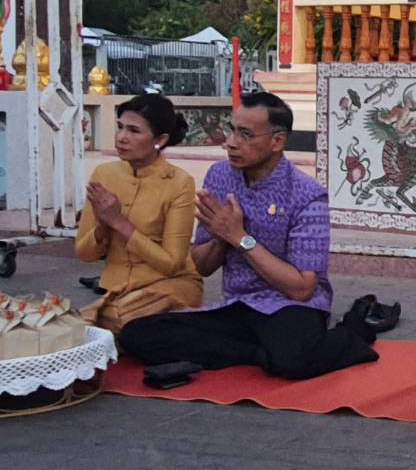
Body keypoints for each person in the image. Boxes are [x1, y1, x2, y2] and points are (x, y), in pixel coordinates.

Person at [119, 92, 378, 379]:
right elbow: (202, 267)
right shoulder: (220, 176)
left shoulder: (307, 195)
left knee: (293, 360)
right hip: (238, 304)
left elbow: (302, 288)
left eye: (245, 135)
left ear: (277, 141)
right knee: (136, 334)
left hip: (289, 306)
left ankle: (351, 333)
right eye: (231, 130)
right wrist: (220, 236)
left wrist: (240, 238)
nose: (231, 143)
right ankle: (258, 355)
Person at [74, 94, 203, 332]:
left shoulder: (179, 182)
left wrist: (119, 223)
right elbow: (85, 254)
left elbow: (172, 264)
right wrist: (103, 226)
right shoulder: (104, 174)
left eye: (134, 131)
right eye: (120, 127)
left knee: (113, 320)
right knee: (98, 321)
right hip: (116, 290)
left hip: (168, 285)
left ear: (160, 140)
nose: (122, 137)